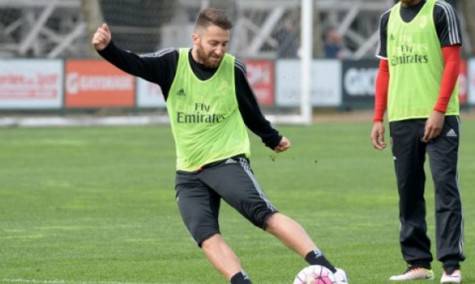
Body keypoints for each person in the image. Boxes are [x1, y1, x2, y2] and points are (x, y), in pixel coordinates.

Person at [92, 8, 348, 284]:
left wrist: (271, 138)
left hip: (226, 159)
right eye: (213, 43)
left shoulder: (232, 68)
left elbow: (249, 109)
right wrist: (107, 49)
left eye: (224, 44)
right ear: (196, 39)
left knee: (263, 215)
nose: (219, 50)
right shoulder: (171, 63)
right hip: (188, 171)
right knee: (204, 235)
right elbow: (136, 64)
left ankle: (329, 272)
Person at [371, 0, 464, 282]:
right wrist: (378, 117)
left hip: (440, 116)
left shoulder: (440, 10)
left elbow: (452, 61)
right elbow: (385, 70)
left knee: (445, 186)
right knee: (408, 191)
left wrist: (438, 109)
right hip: (401, 118)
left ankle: (450, 266)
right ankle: (417, 263)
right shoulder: (388, 18)